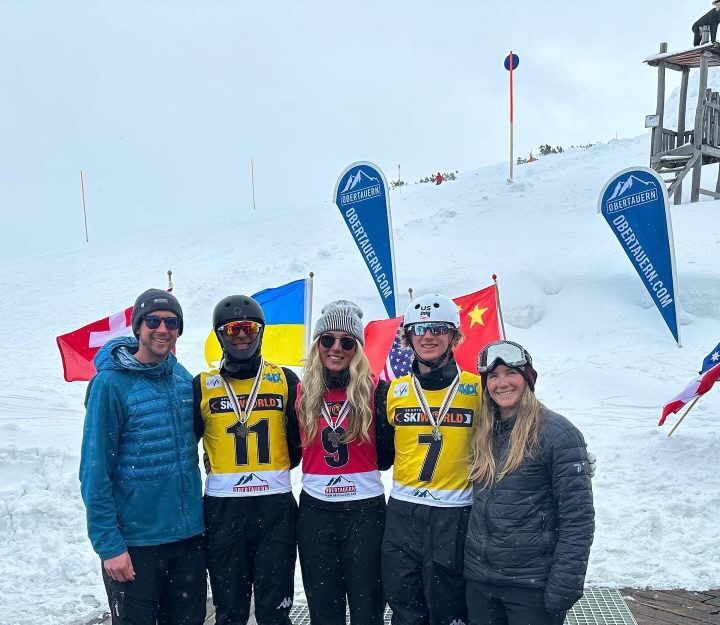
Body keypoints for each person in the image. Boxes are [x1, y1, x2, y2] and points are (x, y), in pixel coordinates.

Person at [79, 288, 206, 625]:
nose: (162, 329)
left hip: (188, 538)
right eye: (153, 321)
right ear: (138, 327)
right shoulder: (110, 385)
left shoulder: (182, 379)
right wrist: (109, 546)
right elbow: (94, 471)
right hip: (136, 545)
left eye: (171, 322)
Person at [464, 340, 594, 625]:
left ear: (528, 378)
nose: (502, 383)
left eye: (511, 372)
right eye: (493, 376)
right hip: (481, 583)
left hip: (530, 585)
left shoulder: (558, 434)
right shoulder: (482, 432)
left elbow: (578, 518)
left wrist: (565, 585)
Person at [194, 295, 301, 625]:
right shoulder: (202, 386)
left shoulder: (286, 380)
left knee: (275, 608)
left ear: (260, 332)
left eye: (249, 328)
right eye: (231, 329)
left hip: (275, 509)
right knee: (230, 610)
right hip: (224, 511)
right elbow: (185, 445)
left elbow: (297, 445)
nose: (241, 335)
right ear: (220, 336)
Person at [382, 293, 480, 625]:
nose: (428, 336)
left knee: (450, 609)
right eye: (419, 328)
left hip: (454, 513)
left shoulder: (478, 389)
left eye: (438, 328)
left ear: (454, 335)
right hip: (402, 512)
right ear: (407, 336)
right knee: (405, 606)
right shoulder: (393, 391)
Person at [295, 301, 394, 625]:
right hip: (316, 513)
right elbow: (288, 450)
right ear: (317, 344)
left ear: (358, 349)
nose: (336, 348)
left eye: (346, 342)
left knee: (368, 612)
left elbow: (387, 458)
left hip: (365, 513)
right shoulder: (299, 392)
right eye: (327, 340)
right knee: (324, 613)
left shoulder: (378, 391)